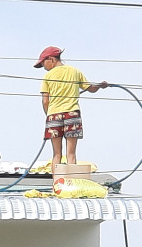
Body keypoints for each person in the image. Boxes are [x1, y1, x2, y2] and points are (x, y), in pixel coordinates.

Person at [35, 45, 108, 174]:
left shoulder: (47, 76)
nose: (44, 67)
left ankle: (56, 185)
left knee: (56, 154)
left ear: (51, 59)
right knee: (71, 154)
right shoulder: (75, 72)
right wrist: (100, 86)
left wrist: (49, 115)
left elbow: (45, 101)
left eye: (43, 64)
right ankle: (71, 184)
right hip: (72, 114)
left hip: (53, 115)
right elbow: (90, 88)